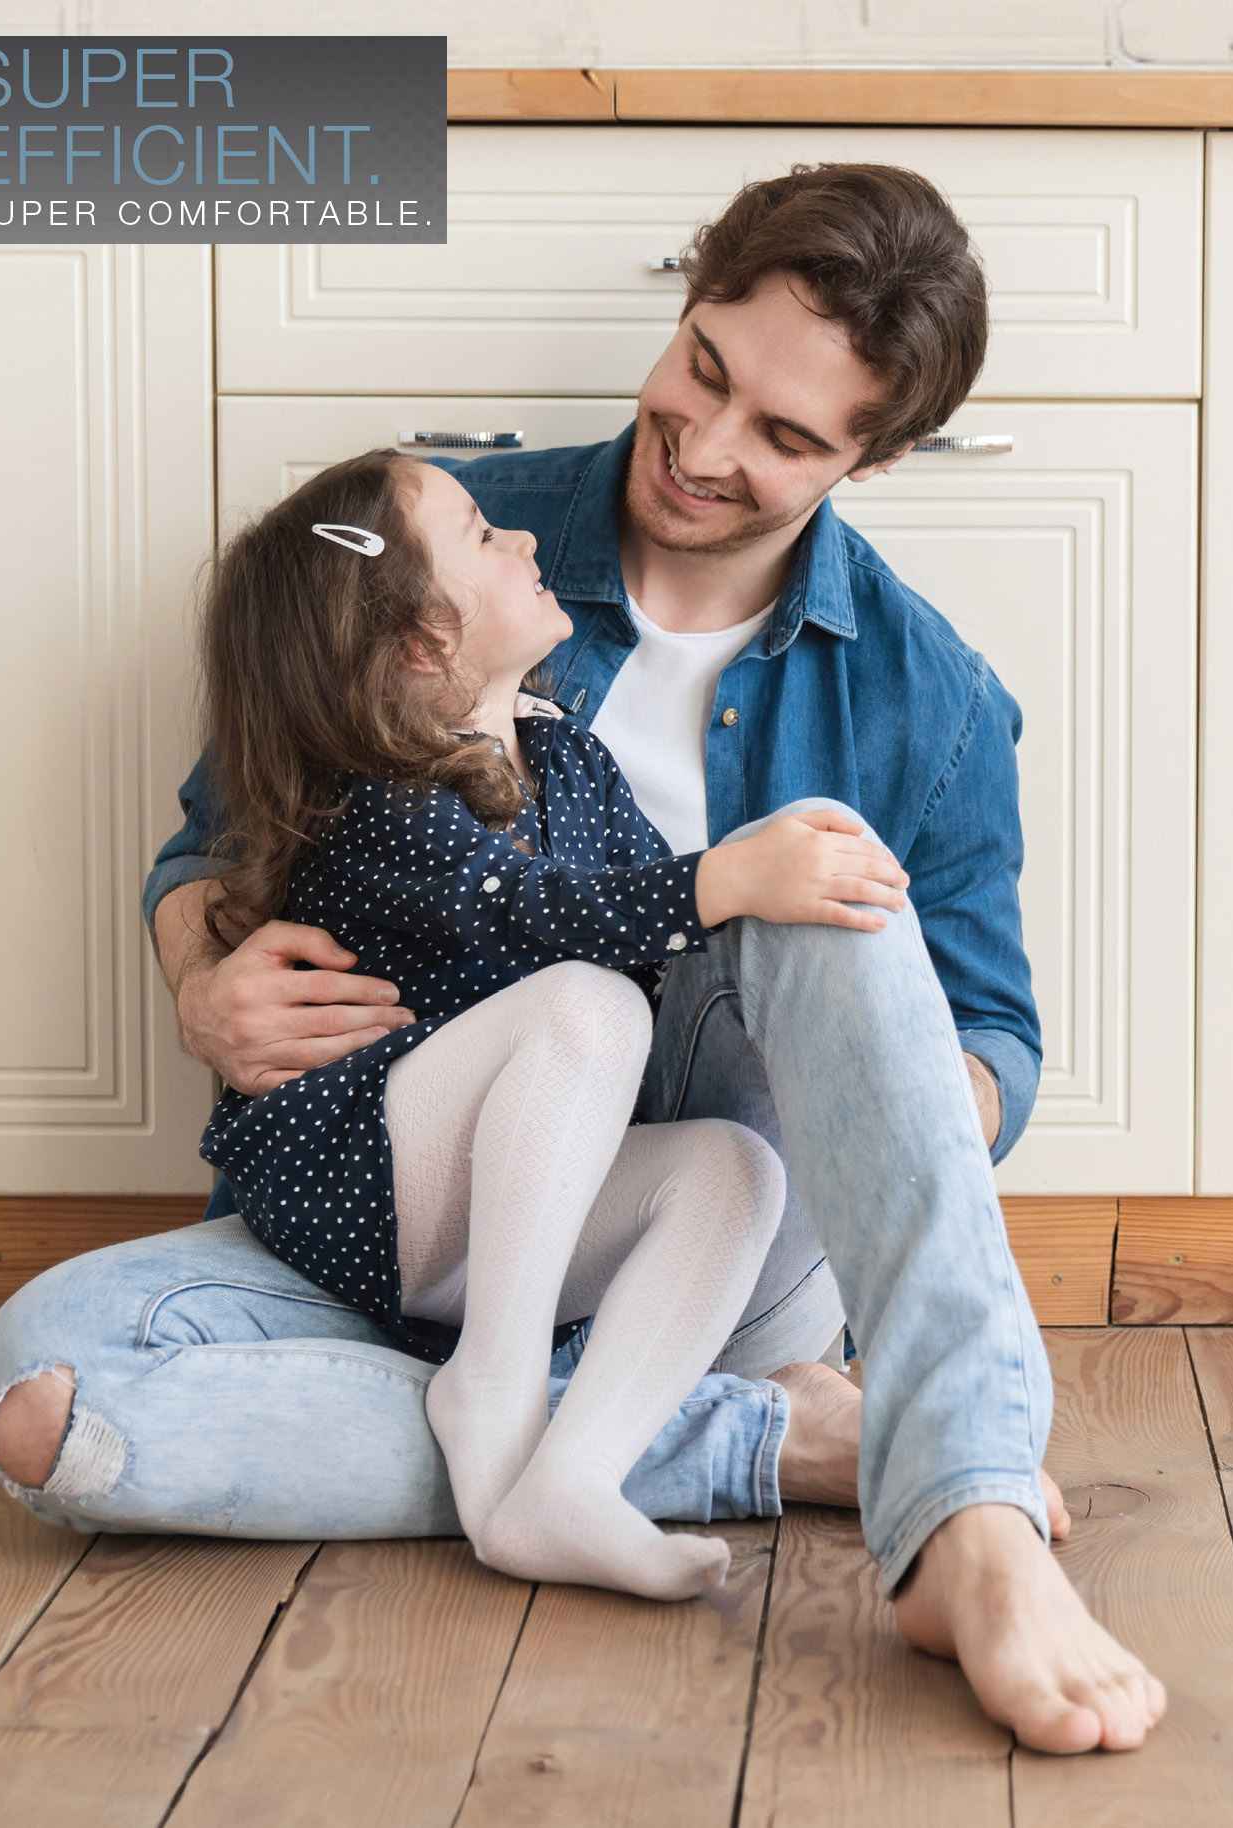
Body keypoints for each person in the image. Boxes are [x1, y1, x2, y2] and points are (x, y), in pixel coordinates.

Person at [0, 161, 1166, 1752]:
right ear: (688, 304)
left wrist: (866, 1066)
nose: (705, 447)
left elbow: (994, 1037)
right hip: (403, 1212)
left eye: (784, 436)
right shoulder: (446, 546)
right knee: (40, 1391)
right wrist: (202, 976)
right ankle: (744, 1444)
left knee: (817, 875)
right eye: (704, 370)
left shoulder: (927, 693)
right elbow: (215, 840)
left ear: (873, 460)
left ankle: (965, 1505)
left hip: (700, 1236)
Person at [192, 444, 905, 1602]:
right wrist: (728, 877)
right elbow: (533, 910)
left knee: (731, 1171)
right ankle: (493, 1390)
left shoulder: (566, 759)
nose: (524, 540)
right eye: (482, 535)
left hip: (485, 1204)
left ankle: (571, 1478)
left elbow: (647, 927)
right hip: (359, 1178)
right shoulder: (377, 804)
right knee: (585, 997)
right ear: (419, 642)